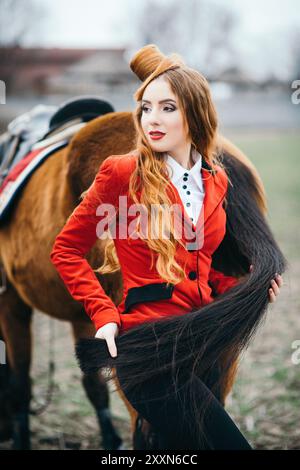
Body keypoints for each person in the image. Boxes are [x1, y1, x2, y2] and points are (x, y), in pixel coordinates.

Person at [50, 44, 283, 449]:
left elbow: (203, 268)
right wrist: (103, 314)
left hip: (203, 346)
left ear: (195, 114)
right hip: (151, 355)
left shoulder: (218, 181)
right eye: (146, 108)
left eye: (168, 108)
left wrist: (244, 289)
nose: (152, 119)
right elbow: (66, 250)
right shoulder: (121, 173)